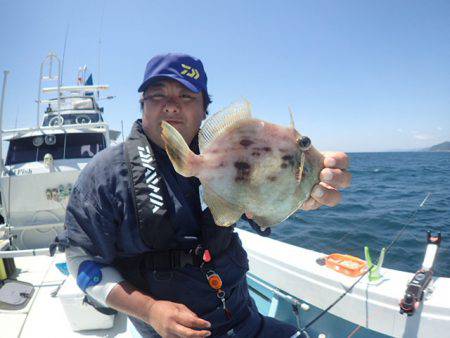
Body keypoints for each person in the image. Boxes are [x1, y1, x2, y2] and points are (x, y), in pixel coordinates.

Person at [64, 53, 351, 338]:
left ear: (204, 110)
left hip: (245, 320)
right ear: (142, 105)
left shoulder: (233, 154)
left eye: (187, 96)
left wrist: (305, 187)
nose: (172, 106)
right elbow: (82, 261)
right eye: (157, 95)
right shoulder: (103, 175)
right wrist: (150, 310)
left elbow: (260, 208)